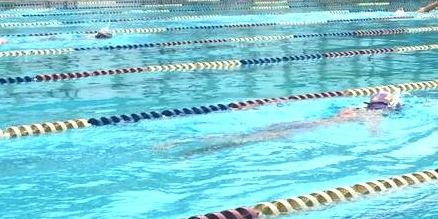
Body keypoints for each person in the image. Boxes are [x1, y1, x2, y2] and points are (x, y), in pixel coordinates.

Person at [162, 90, 403, 156]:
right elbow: (375, 136)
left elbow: (338, 113)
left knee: (251, 133)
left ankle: (183, 141)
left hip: (308, 120)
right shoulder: (372, 116)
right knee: (249, 140)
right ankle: (196, 149)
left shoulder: (355, 107)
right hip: (316, 127)